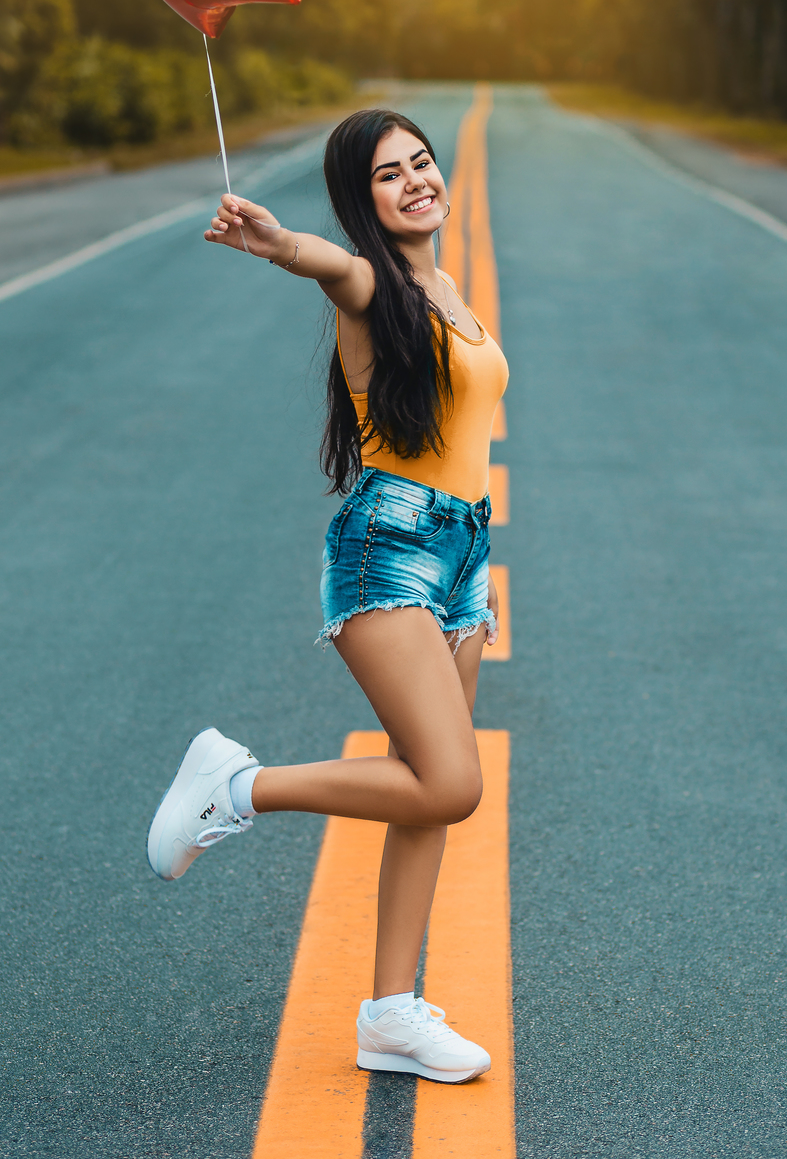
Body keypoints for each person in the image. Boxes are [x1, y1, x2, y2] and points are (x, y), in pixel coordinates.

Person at [146, 107, 508, 1084]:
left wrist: (476, 568)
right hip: (389, 548)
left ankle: (392, 1014)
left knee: (424, 798)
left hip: (458, 555)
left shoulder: (444, 286)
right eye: (390, 175)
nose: (417, 182)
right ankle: (236, 788)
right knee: (453, 783)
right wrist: (279, 244)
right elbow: (325, 262)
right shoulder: (370, 284)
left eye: (423, 163)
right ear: (365, 200)